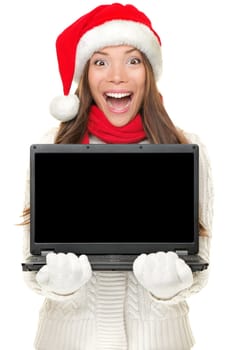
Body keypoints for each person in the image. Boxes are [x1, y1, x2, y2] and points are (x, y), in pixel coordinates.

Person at [22, 3, 214, 350]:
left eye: (132, 60)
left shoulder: (186, 146)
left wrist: (170, 286)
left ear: (149, 71)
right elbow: (32, 267)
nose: (117, 77)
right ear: (86, 74)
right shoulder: (55, 145)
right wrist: (58, 285)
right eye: (100, 61)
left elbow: (201, 266)